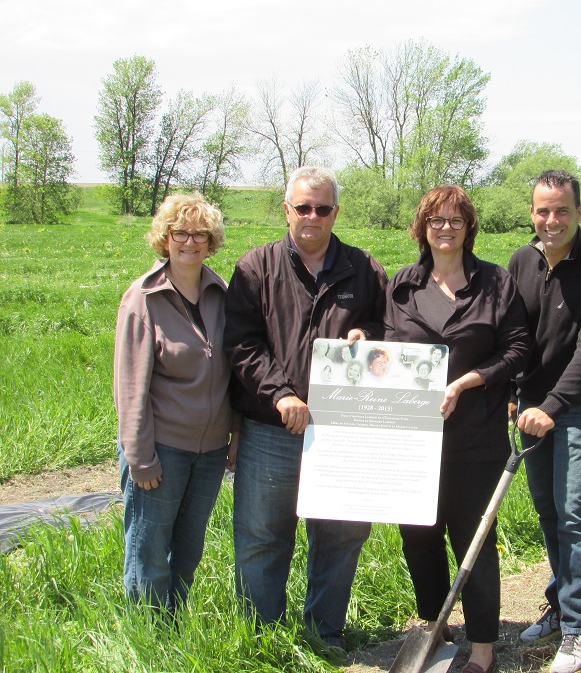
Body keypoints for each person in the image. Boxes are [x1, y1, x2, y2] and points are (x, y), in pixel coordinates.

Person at [223, 166, 387, 655]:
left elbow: (388, 326)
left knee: (340, 535)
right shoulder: (255, 268)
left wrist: (368, 335)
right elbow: (242, 343)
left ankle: (324, 635)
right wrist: (280, 394)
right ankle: (262, 641)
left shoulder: (364, 268)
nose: (312, 216)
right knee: (262, 536)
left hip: (342, 430)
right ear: (286, 210)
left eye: (322, 208)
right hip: (271, 428)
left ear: (335, 212)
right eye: (303, 207)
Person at [385, 185, 531, 673]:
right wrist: (364, 343)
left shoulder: (495, 282)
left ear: (469, 228)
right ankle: (435, 626)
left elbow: (517, 348)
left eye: (455, 220)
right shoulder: (402, 285)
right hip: (413, 436)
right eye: (436, 220)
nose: (445, 228)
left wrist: (470, 380)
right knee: (418, 535)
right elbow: (386, 344)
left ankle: (484, 647)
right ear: (422, 227)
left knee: (475, 539)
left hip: (476, 435)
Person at [509, 170, 581, 673]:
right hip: (532, 406)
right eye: (543, 211)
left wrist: (552, 406)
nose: (552, 220)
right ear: (532, 213)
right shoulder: (522, 261)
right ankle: (562, 604)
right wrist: (513, 393)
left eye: (562, 210)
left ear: (579, 212)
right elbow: (514, 335)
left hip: (580, 407)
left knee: (575, 510)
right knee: (548, 510)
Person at [114, 193, 236, 612]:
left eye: (200, 234)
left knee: (188, 550)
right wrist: (139, 457)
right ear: (165, 238)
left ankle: (175, 625)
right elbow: (130, 386)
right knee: (149, 550)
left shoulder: (221, 294)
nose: (190, 242)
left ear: (211, 241)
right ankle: (148, 633)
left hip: (210, 451)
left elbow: (234, 370)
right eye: (180, 233)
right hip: (161, 449)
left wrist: (234, 432)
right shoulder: (143, 298)